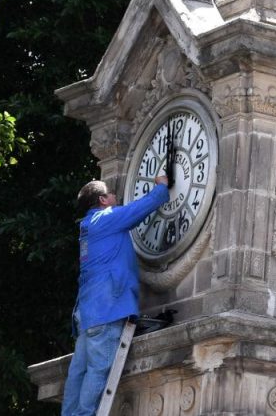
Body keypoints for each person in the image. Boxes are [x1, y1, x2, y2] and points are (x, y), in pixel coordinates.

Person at [61, 175, 170, 416]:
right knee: (99, 370)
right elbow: (139, 209)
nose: (115, 198)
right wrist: (162, 187)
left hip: (88, 313)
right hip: (107, 309)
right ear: (102, 200)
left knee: (78, 373)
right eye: (111, 195)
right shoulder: (105, 219)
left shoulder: (88, 227)